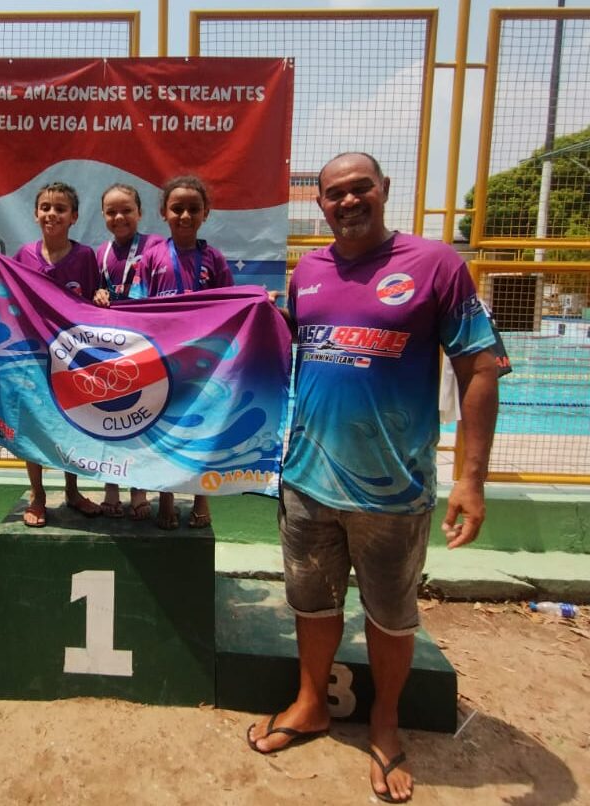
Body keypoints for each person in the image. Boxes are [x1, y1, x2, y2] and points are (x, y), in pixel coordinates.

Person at [245, 153, 498, 805]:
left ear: (384, 191)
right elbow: (290, 349)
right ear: (322, 203)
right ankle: (310, 704)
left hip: (394, 489)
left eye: (361, 189)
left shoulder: (436, 264)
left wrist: (472, 479)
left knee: (390, 613)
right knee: (313, 602)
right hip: (306, 480)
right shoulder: (309, 271)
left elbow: (479, 368)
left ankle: (385, 721)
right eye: (335, 194)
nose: (348, 201)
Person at [0, 181, 102, 528]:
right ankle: (38, 494)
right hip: (31, 357)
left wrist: (103, 296)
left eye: (60, 209)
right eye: (46, 207)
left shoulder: (85, 257)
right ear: (35, 214)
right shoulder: (23, 257)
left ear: (73, 217)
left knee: (72, 424)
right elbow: (2, 294)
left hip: (72, 359)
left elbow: (94, 306)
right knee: (32, 423)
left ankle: (72, 491)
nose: (52, 214)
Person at [137, 175, 234, 530]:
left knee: (202, 431)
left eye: (194, 209)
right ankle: (165, 497)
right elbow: (138, 308)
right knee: (166, 432)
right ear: (164, 212)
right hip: (164, 362)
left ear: (206, 213)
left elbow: (231, 306)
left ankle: (200, 499)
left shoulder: (215, 259)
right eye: (177, 208)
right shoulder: (151, 258)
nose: (185, 215)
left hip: (205, 364)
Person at [92, 183, 164, 521]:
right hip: (110, 349)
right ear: (104, 216)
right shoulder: (99, 254)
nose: (119, 217)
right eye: (111, 211)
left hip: (147, 349)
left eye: (126, 210)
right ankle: (110, 487)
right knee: (110, 417)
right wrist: (97, 295)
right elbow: (90, 296)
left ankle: (139, 489)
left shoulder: (156, 247)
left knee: (143, 421)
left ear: (139, 212)